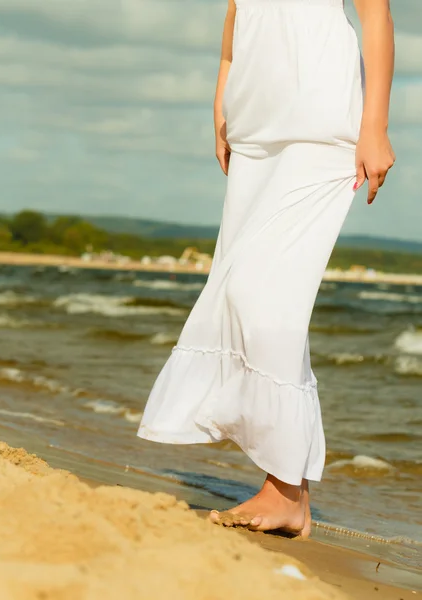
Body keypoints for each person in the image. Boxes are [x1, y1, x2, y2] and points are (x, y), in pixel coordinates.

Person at [137, 0, 395, 536]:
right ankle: (288, 493)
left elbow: (377, 18)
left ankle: (285, 492)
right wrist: (220, 109)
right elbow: (235, 28)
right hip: (253, 134)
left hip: (321, 131)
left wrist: (375, 127)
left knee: (264, 297)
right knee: (242, 294)